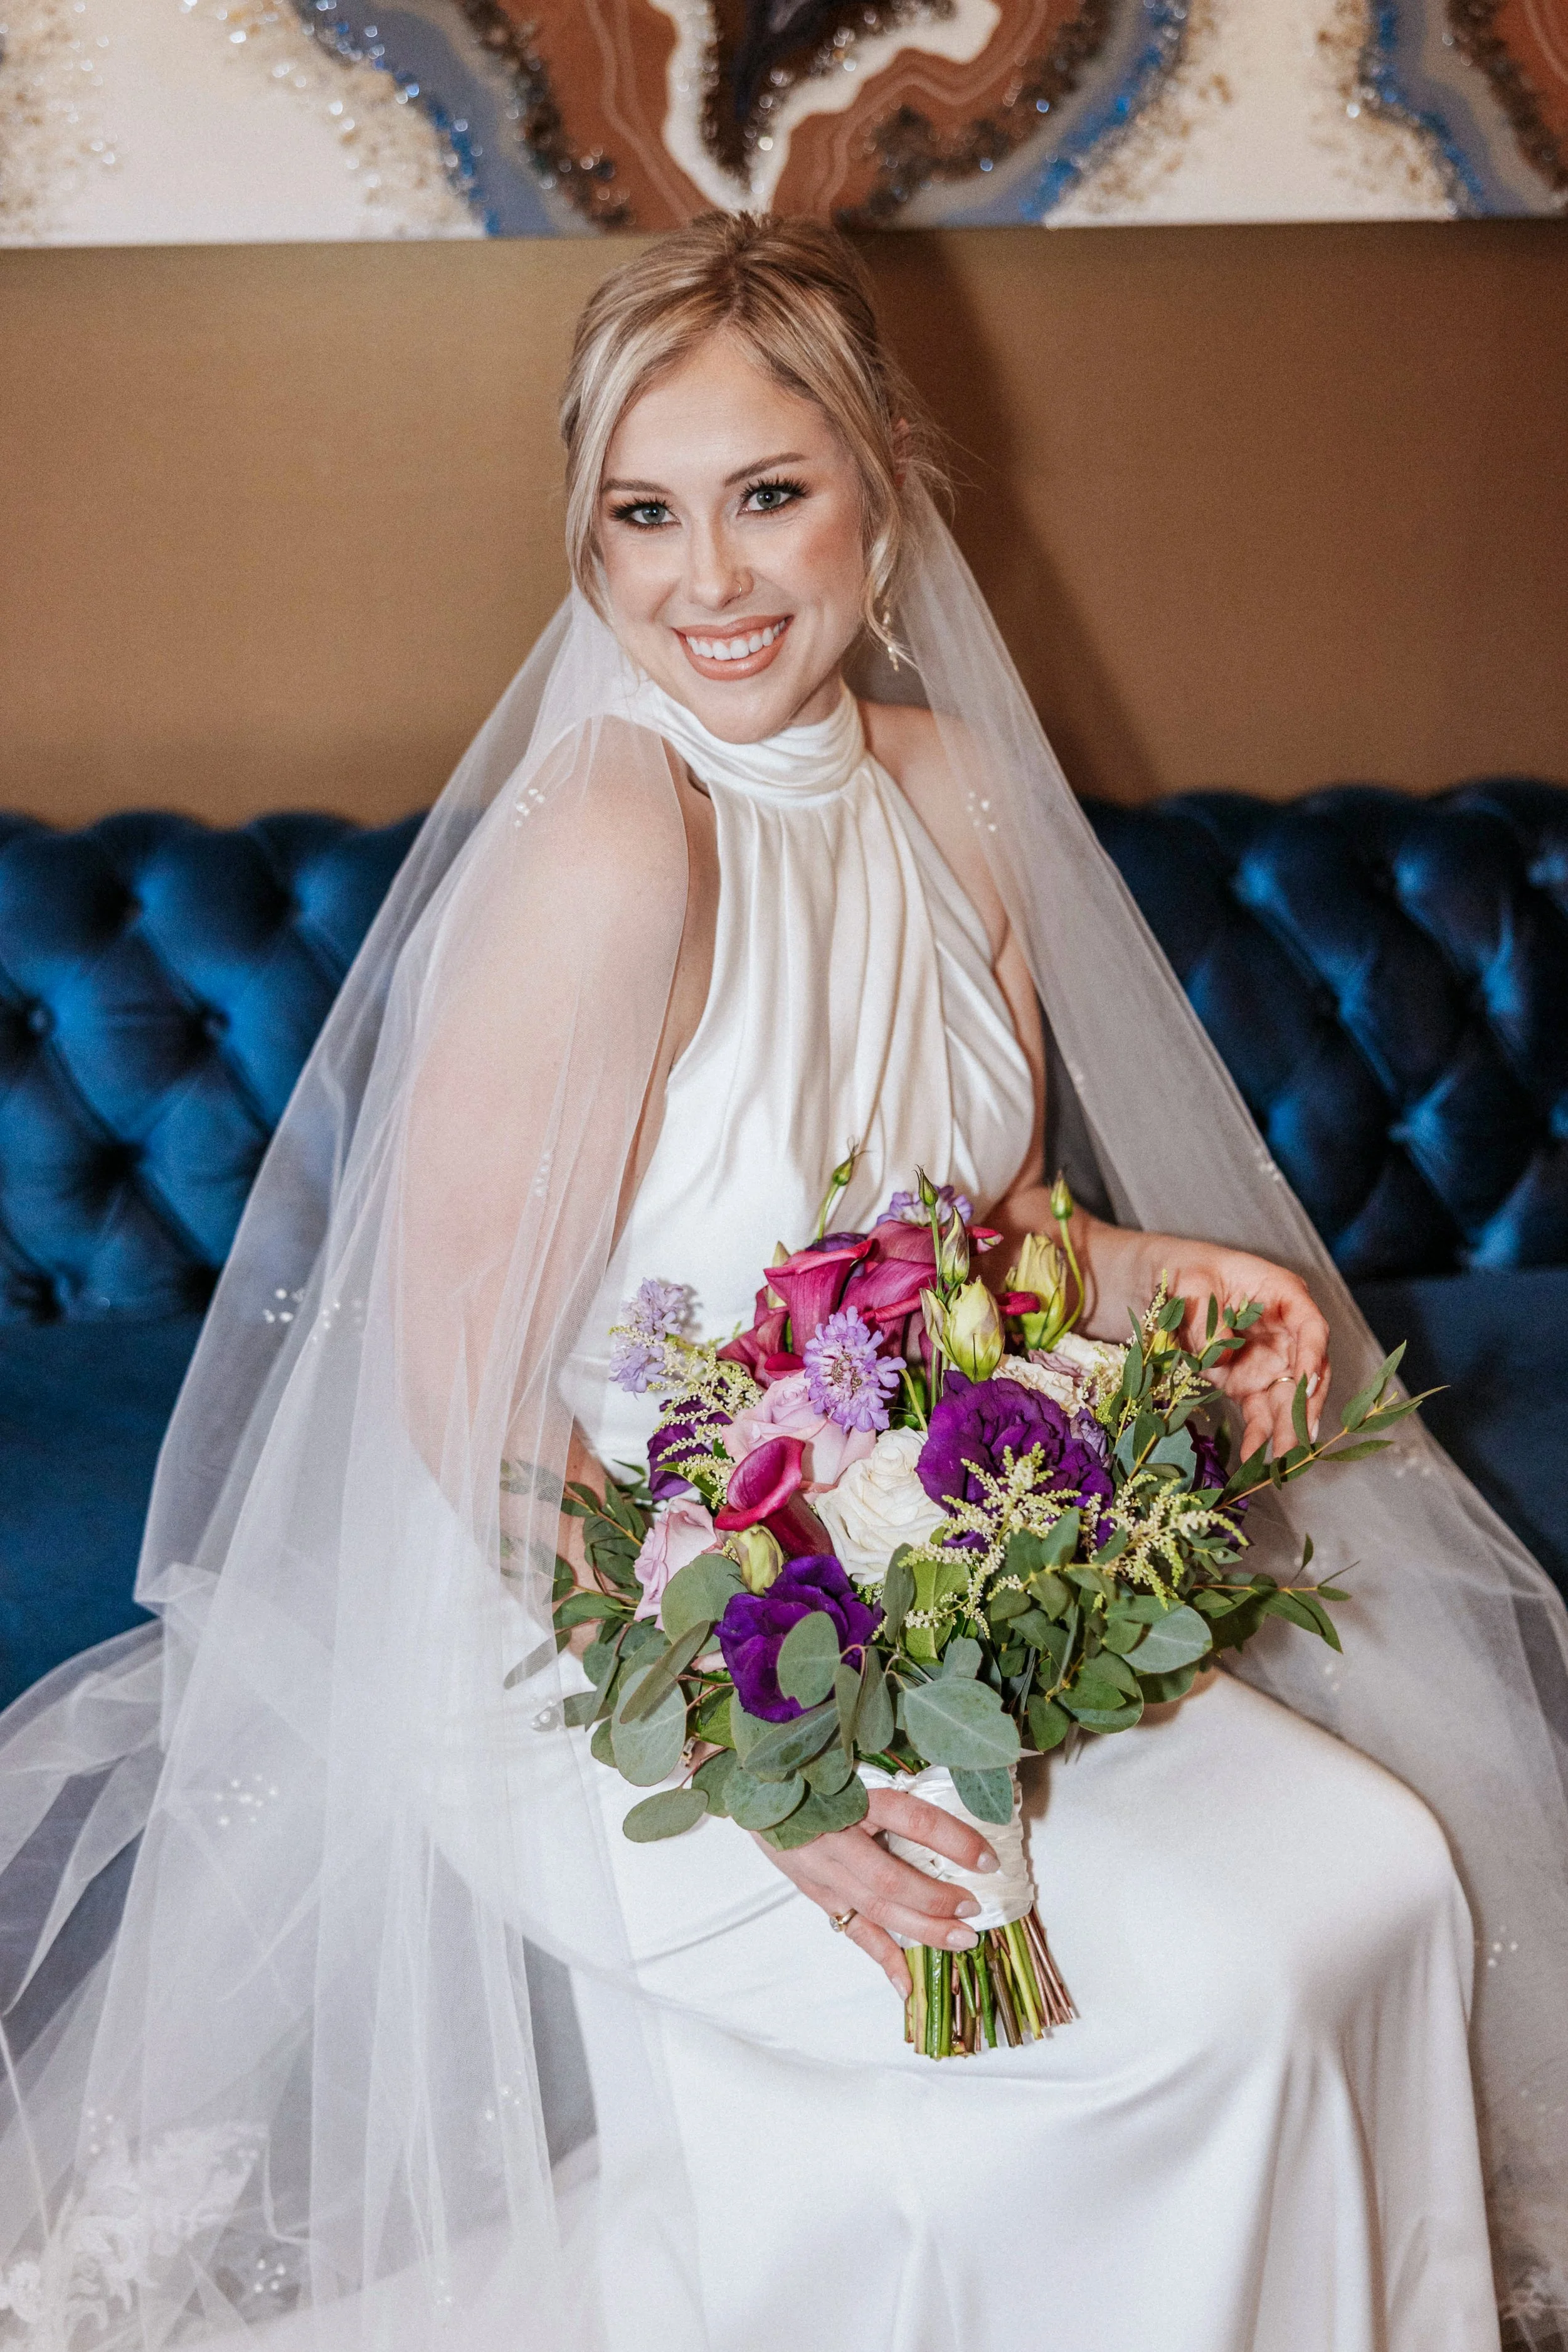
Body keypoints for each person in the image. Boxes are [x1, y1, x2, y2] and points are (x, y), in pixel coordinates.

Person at [0, 214, 1564, 2352]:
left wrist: (1160, 1268)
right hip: (603, 1616)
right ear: (583, 536)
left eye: (766, 495)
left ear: (883, 485)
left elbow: (969, 1242)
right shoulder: (614, 830)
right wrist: (777, 1778)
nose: (706, 582)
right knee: (1185, 2007)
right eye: (641, 514)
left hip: (903, 1568)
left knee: (1374, 1873)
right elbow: (462, 1397)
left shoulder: (955, 797)